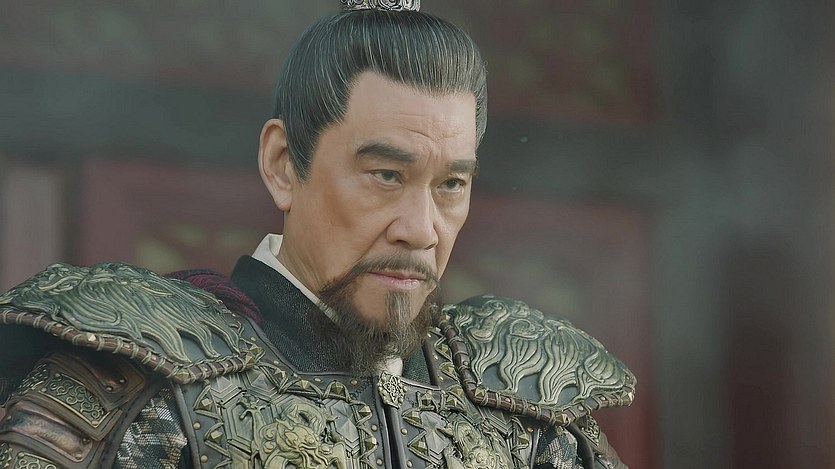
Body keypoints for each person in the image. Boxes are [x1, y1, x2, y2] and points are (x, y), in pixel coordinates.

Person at [0, 1, 636, 468]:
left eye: (451, 185)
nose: (421, 230)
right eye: (386, 175)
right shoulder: (138, 380)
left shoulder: (525, 411)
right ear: (283, 163)